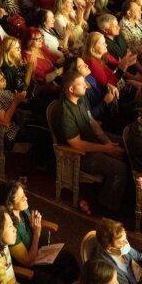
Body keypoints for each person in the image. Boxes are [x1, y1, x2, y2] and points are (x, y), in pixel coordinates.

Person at [50, 70, 128, 213]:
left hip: (91, 141)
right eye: (82, 84)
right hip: (78, 155)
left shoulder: (80, 100)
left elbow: (92, 122)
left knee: (126, 144)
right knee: (120, 170)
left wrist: (106, 141)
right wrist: (107, 149)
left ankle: (118, 194)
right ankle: (105, 206)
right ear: (71, 89)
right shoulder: (64, 111)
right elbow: (77, 144)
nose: (87, 86)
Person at [92, 218, 142, 284]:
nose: (126, 243)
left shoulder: (120, 248)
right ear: (110, 249)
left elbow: (140, 257)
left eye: (125, 239)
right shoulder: (110, 271)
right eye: (121, 242)